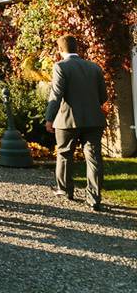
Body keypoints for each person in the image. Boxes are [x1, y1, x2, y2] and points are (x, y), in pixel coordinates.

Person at [45, 35, 108, 211]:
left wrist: (49, 118)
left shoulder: (60, 66)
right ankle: (94, 198)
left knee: (65, 154)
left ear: (60, 50)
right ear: (77, 48)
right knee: (94, 157)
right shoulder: (94, 67)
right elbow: (103, 96)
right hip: (94, 120)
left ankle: (65, 190)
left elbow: (56, 95)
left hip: (67, 120)